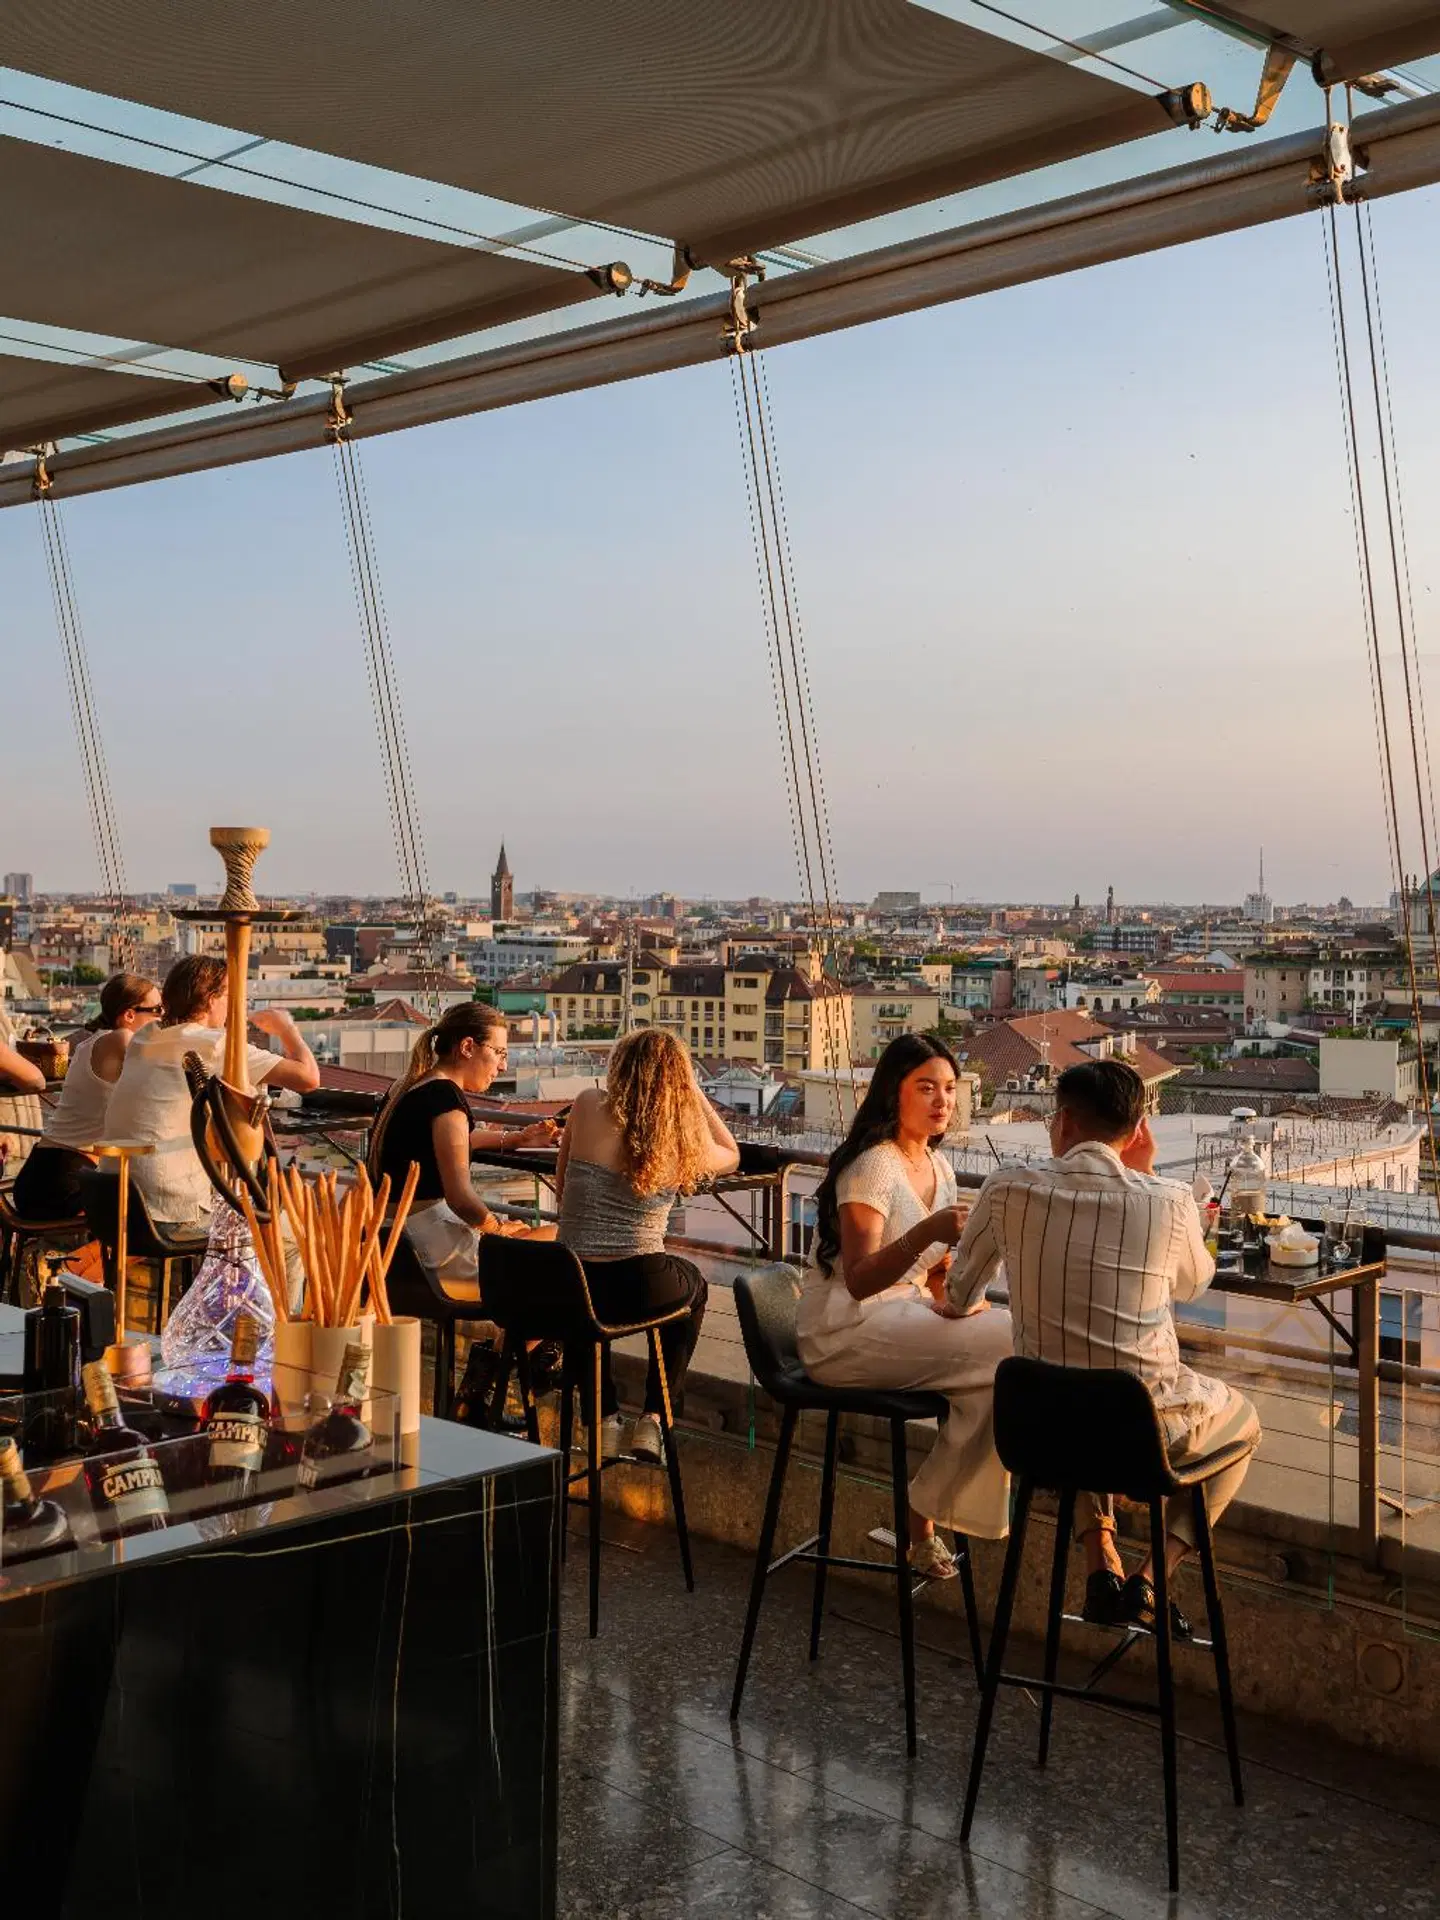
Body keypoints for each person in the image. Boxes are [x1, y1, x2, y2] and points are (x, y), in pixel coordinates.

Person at [947, 1057, 1261, 1632]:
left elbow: (961, 1292)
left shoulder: (1006, 1187)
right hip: (1144, 1438)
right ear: (1137, 1129)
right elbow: (1193, 1284)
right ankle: (1152, 1577)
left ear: (1064, 1122)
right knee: (1244, 1421)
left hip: (1038, 1432)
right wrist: (1147, 1174)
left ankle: (1100, 1559)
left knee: (1074, 1382)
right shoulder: (1169, 1200)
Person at [800, 1035, 1012, 1579]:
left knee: (997, 1381)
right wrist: (928, 1231)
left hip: (904, 1318)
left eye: (950, 1088)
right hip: (846, 1330)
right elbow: (859, 1279)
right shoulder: (873, 1166)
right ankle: (923, 1516)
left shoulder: (939, 1167)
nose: (943, 1101)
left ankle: (921, 1521)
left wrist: (953, 1307)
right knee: (1015, 1341)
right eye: (926, 1088)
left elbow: (937, 1272)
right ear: (894, 1092)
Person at [556, 1028, 737, 1462]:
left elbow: (561, 1189)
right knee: (694, 1287)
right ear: (678, 1080)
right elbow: (731, 1153)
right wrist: (694, 1091)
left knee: (582, 1302)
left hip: (565, 1282)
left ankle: (602, 1417)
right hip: (638, 1286)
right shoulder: (680, 1137)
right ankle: (654, 1419)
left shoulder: (586, 1104)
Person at [103, 955, 320, 1227]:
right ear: (210, 1000)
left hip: (112, 1196)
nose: (233, 1005)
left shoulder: (145, 1037)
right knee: (291, 1231)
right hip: (165, 1205)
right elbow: (308, 1078)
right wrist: (286, 1028)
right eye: (230, 996)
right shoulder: (214, 1044)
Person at [368, 1001, 559, 1288]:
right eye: (499, 1053)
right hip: (437, 1251)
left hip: (396, 1244)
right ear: (468, 1047)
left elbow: (447, 1141)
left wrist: (518, 1138)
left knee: (532, 1238)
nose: (503, 1066)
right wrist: (499, 1229)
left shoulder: (408, 1085)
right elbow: (460, 1197)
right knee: (563, 1235)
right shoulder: (446, 1098)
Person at [13, 973, 162, 1220]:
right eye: (157, 1010)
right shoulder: (122, 1039)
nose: (162, 1017)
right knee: (146, 1213)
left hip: (41, 1173)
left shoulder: (90, 1044)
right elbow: (164, 1082)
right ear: (129, 1015)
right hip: (65, 1179)